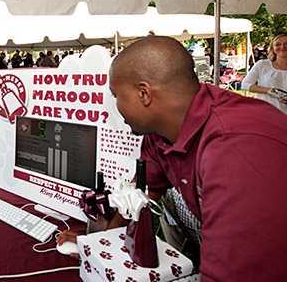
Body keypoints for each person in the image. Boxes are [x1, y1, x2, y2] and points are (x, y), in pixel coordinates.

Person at [57, 36, 287, 281]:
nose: (115, 106)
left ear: (143, 93)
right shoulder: (160, 133)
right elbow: (142, 191)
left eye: (116, 96)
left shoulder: (237, 147)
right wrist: (99, 243)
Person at [241, 32, 287, 114]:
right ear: (273, 47)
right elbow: (245, 84)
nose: (282, 47)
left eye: (286, 43)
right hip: (262, 113)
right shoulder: (262, 65)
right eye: (278, 44)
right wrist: (270, 91)